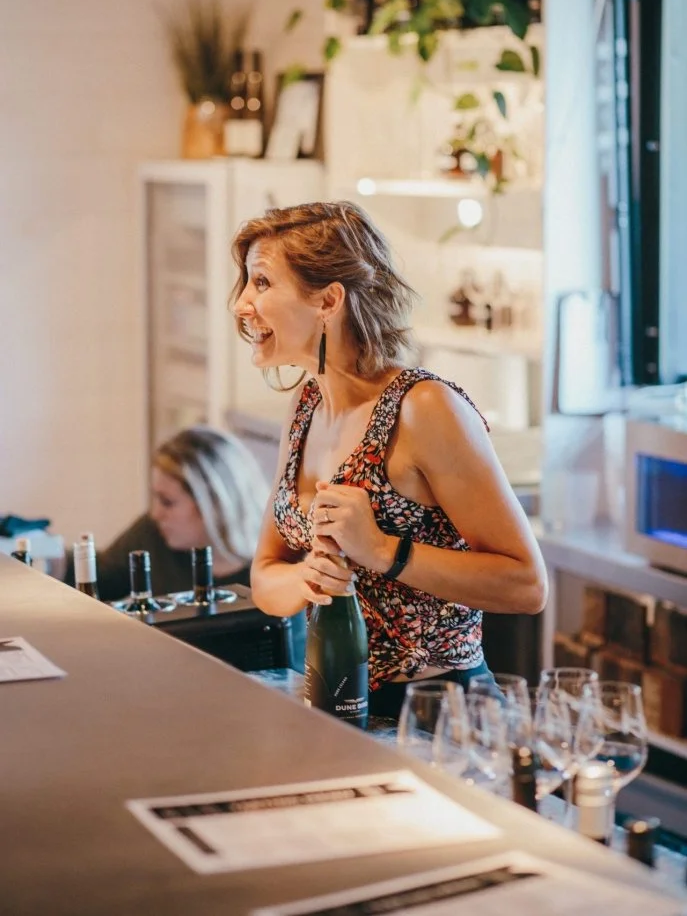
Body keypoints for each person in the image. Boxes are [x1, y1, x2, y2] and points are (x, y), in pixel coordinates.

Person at [232, 200, 548, 719]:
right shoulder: (307, 403)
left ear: (328, 300)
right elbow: (267, 577)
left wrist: (383, 551)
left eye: (262, 283)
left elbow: (527, 584)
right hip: (335, 701)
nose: (243, 303)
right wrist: (309, 578)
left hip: (441, 714)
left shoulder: (425, 408)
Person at [65, 426, 269, 603]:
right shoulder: (152, 535)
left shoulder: (272, 576)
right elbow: (101, 578)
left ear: (214, 504)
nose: (155, 514)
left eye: (167, 502)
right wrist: (54, 559)